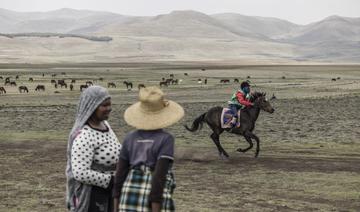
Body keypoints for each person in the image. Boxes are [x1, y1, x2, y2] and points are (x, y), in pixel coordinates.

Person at [112, 86, 184, 212]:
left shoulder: (129, 138)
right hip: (154, 198)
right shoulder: (166, 139)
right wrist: (155, 205)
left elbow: (120, 174)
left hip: (128, 194)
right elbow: (158, 176)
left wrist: (116, 204)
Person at [65, 85, 121, 212]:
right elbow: (80, 173)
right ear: (92, 106)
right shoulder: (83, 135)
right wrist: (112, 181)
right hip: (93, 196)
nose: (109, 109)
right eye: (104, 105)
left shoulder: (105, 125)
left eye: (109, 104)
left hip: (110, 193)